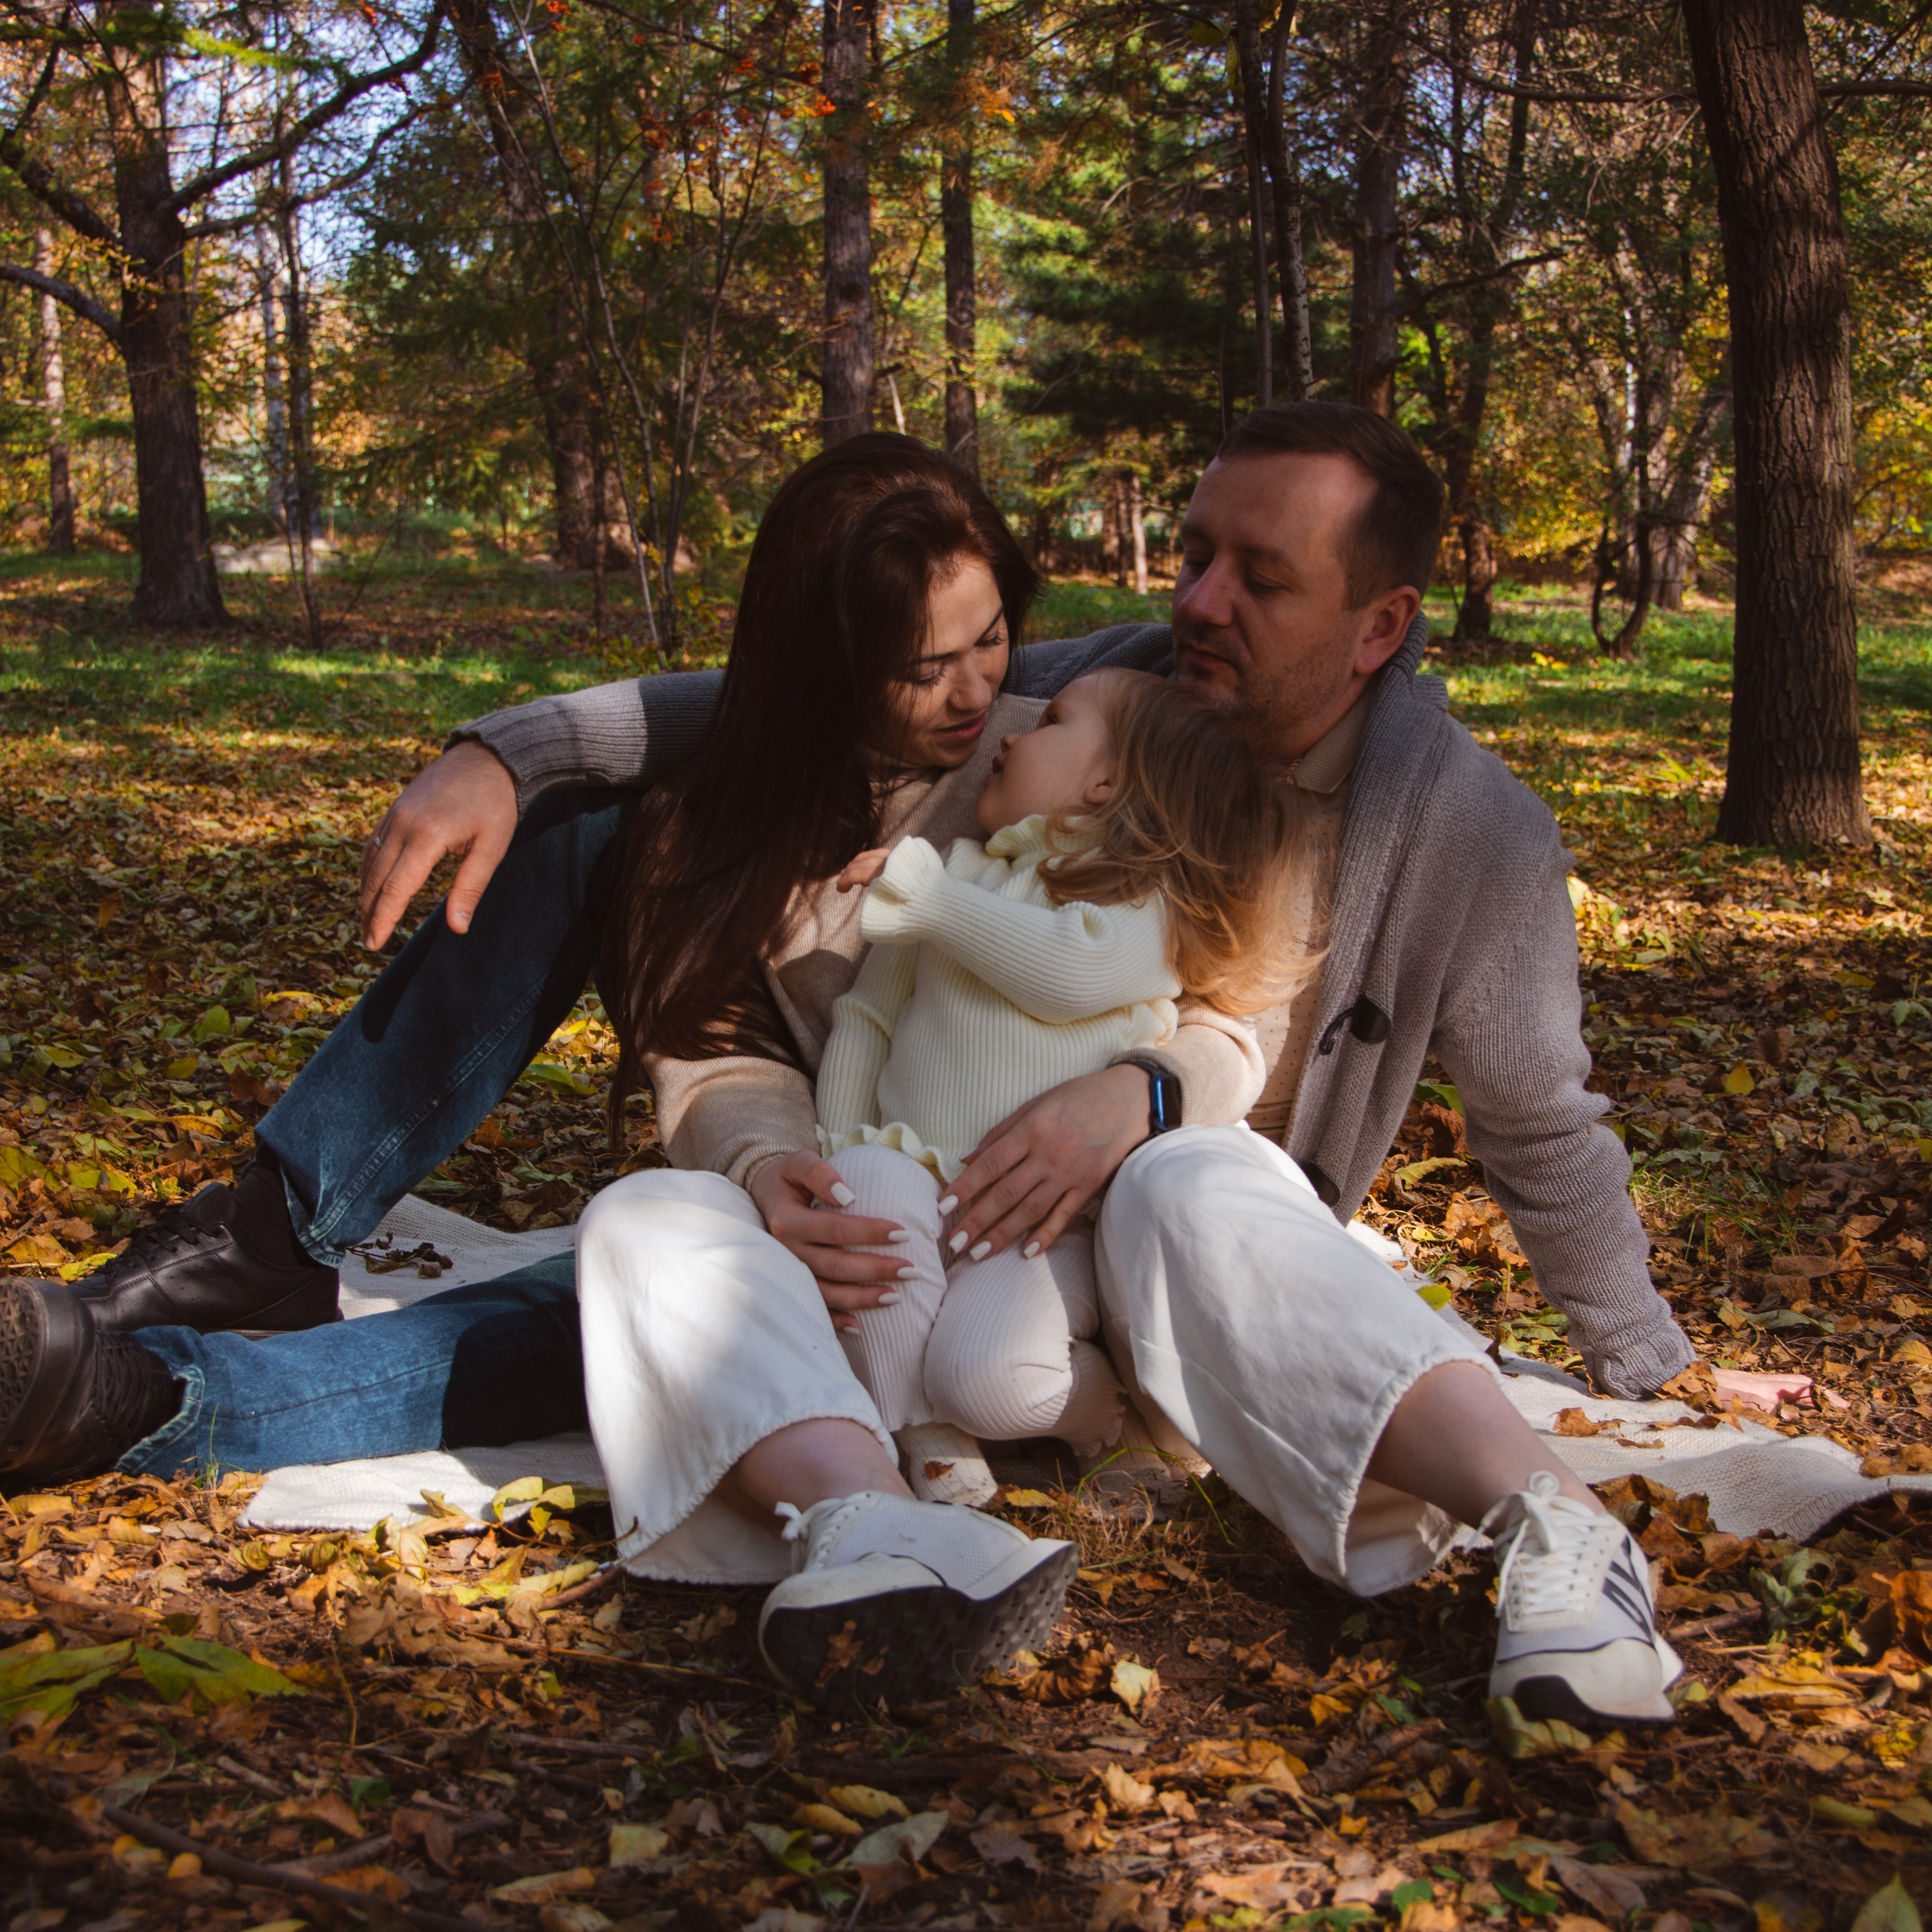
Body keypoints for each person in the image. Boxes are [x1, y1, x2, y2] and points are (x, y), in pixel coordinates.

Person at [0, 404, 1696, 1726]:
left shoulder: (1462, 833)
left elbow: (1535, 1118)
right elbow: (733, 709)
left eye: (1259, 575)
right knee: (640, 1239)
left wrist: (1639, 1355)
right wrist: (504, 755)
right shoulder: (1101, 691)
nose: (1192, 601)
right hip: (904, 1203)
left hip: (1157, 1241)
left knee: (1190, 1169)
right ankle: (855, 1514)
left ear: (1381, 622)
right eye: (1191, 552)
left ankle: (1552, 1530)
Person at [814, 669, 1293, 1506]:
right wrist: (833, 1154)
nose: (1009, 735)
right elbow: (868, 1020)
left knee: (986, 1373)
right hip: (918, 1174)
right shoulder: (950, 874)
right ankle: (928, 1438)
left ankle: (1094, 1406)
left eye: (1051, 721)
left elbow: (1067, 970)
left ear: (1105, 781)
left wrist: (930, 900)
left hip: (1045, 1227)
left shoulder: (1137, 898)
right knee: (867, 1201)